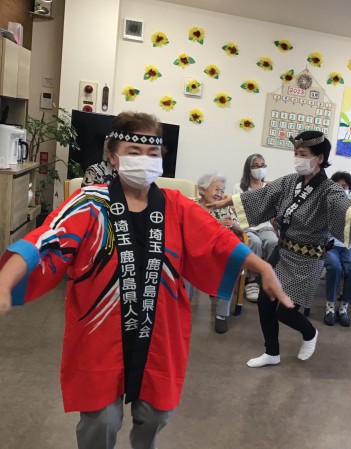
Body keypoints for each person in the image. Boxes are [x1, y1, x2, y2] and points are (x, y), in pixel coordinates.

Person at [0, 111, 292, 449]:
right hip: (100, 334)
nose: (145, 160)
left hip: (159, 332)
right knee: (101, 422)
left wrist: (263, 268)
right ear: (113, 156)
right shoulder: (89, 203)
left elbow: (217, 241)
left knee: (156, 415)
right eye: (134, 152)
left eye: (152, 153)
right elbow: (45, 239)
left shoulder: (177, 206)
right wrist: (5, 281)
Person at [210, 131, 351, 368]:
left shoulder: (329, 189)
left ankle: (310, 333)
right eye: (296, 153)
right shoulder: (290, 181)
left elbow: (344, 206)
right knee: (264, 301)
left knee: (285, 311)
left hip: (307, 259)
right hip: (282, 251)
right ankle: (272, 352)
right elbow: (261, 195)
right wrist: (224, 201)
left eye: (303, 154)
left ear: (319, 158)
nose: (297, 158)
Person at [196, 172, 262, 334]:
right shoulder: (192, 206)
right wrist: (216, 224)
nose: (220, 194)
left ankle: (221, 314)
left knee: (231, 265)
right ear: (203, 190)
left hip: (222, 251)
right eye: (216, 189)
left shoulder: (225, 207)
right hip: (198, 252)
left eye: (222, 190)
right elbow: (192, 230)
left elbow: (243, 229)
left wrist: (233, 224)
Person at [232, 154, 279, 302]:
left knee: (273, 242)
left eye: (262, 165)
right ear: (248, 169)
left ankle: (269, 278)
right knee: (255, 242)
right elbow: (238, 212)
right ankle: (251, 280)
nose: (260, 169)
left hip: (265, 226)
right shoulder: (239, 187)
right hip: (247, 227)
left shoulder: (268, 188)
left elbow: (272, 213)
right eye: (256, 166)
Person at [323, 171, 351, 327]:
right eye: (338, 186)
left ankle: (343, 308)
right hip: (330, 244)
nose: (341, 189)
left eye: (344, 186)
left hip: (348, 245)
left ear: (349, 189)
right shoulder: (325, 204)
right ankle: (330, 307)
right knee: (334, 267)